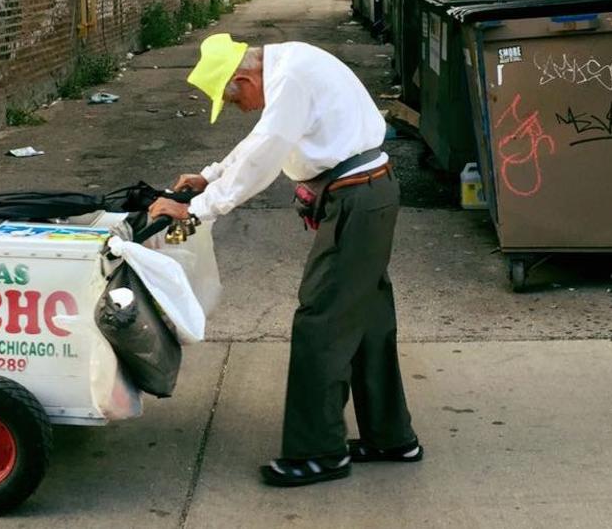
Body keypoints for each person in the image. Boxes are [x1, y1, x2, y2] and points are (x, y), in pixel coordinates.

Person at [148, 33, 422, 488]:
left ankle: (319, 452)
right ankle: (391, 439)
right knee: (369, 321)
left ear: (243, 77)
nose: (241, 108)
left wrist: (196, 210)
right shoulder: (287, 65)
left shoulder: (290, 78)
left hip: (356, 200)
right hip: (366, 194)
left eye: (234, 100)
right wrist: (211, 176)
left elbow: (265, 155)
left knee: (321, 321)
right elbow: (261, 140)